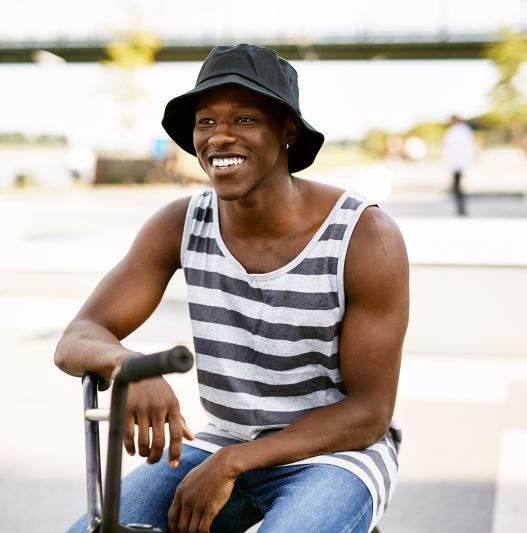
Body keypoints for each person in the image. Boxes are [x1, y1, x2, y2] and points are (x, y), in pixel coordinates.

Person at [55, 43, 409, 533]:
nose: (219, 136)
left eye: (244, 119)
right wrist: (129, 365)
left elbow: (369, 413)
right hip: (223, 440)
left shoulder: (364, 235)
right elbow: (77, 338)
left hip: (337, 454)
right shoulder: (180, 223)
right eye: (206, 122)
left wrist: (233, 463)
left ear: (287, 130)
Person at [441, 115, 475, 216]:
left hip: (459, 162)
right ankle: (460, 208)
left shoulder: (460, 131)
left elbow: (465, 148)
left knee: (457, 186)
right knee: (457, 186)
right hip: (456, 163)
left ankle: (461, 208)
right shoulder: (456, 131)